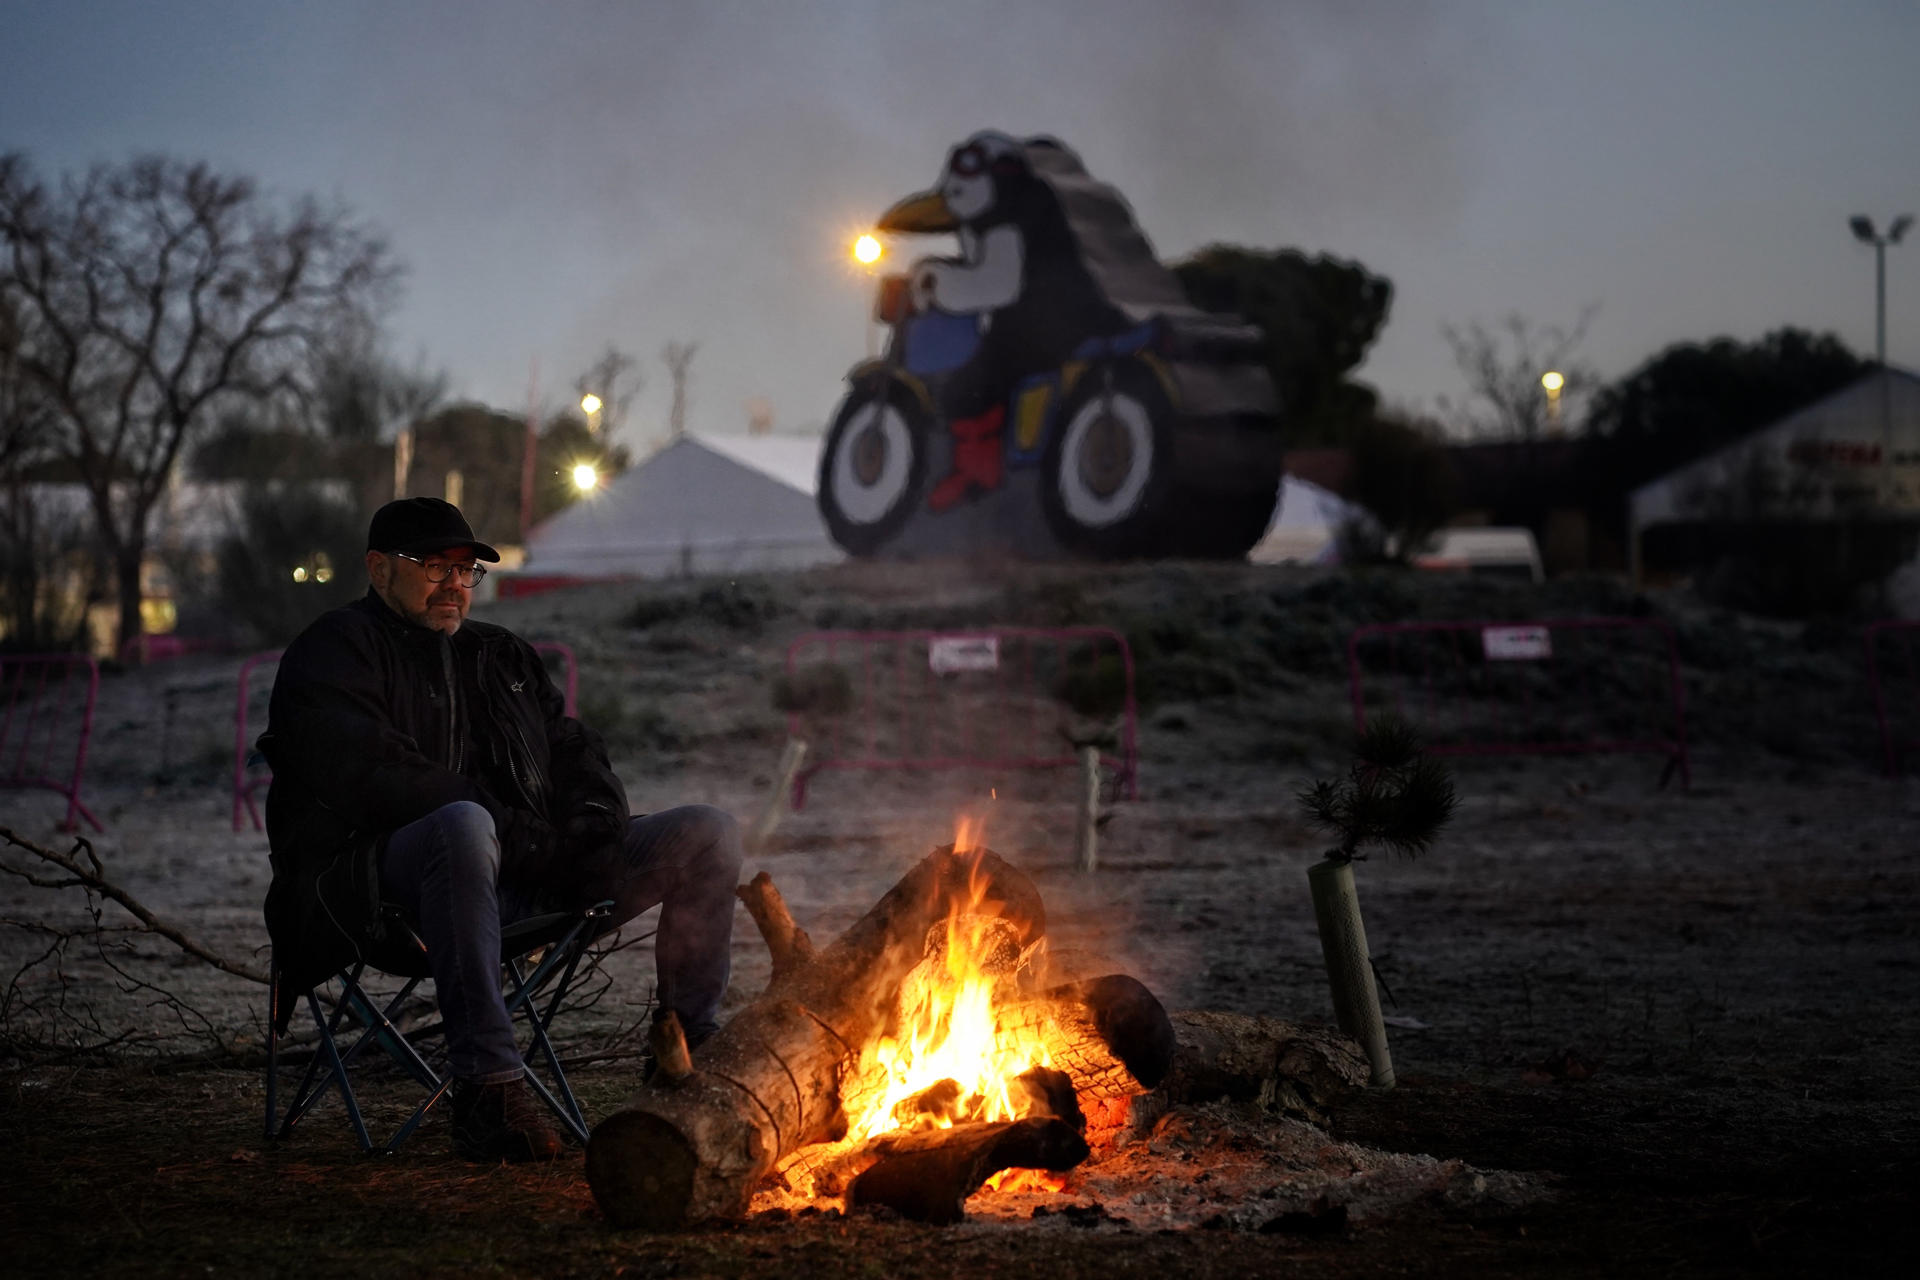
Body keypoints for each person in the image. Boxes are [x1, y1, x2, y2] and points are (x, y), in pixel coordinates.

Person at [260, 497, 742, 1162]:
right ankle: (488, 1090)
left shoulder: (500, 657)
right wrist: (526, 839)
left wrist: (593, 835)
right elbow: (379, 779)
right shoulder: (333, 654)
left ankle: (685, 1059)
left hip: (524, 880)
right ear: (378, 570)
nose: (455, 586)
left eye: (466, 572)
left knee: (707, 832)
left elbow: (575, 752)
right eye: (435, 568)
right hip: (379, 897)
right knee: (460, 825)